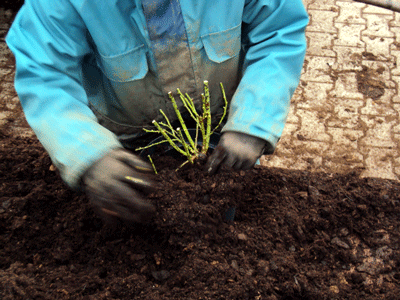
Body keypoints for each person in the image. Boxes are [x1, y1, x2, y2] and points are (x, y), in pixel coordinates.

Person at [6, 0, 309, 224]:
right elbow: (45, 72)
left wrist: (251, 123)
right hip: (125, 144)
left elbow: (278, 31)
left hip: (218, 132)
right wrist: (87, 152)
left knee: (220, 220)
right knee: (133, 224)